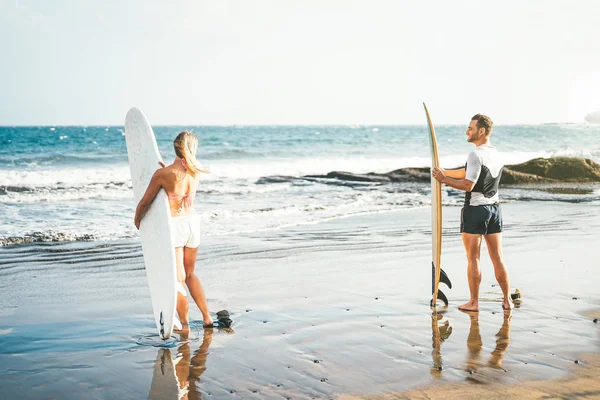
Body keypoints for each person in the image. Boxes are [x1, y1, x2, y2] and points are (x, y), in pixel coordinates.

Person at [432, 114, 513, 311]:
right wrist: (444, 173)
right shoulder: (496, 154)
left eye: (470, 128)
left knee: (473, 258)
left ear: (482, 131)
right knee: (498, 258)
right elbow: (469, 172)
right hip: (494, 210)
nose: (467, 131)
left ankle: (474, 303)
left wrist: (444, 180)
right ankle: (507, 300)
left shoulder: (475, 154)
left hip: (476, 211)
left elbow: (469, 184)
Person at [134, 130, 214, 328]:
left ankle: (185, 324)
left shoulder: (163, 174)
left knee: (177, 279)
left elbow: (145, 202)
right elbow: (180, 174)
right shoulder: (196, 171)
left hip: (176, 227)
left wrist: (138, 220)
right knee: (190, 275)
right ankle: (207, 318)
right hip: (192, 224)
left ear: (175, 146)